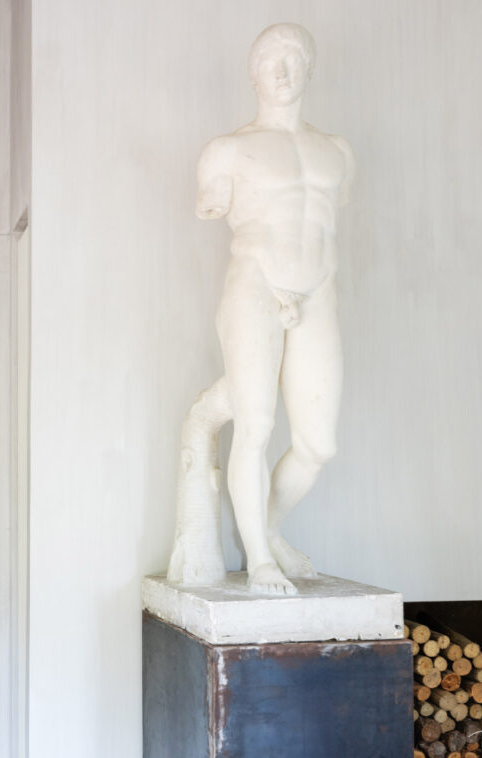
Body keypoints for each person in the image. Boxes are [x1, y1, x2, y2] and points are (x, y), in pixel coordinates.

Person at [169, 23, 355, 595]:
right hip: (255, 284)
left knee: (318, 443)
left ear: (309, 69)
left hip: (317, 291)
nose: (283, 70)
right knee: (257, 425)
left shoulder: (338, 152)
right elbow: (212, 207)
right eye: (272, 59)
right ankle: (259, 561)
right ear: (254, 74)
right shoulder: (226, 151)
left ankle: (269, 529)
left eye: (295, 58)